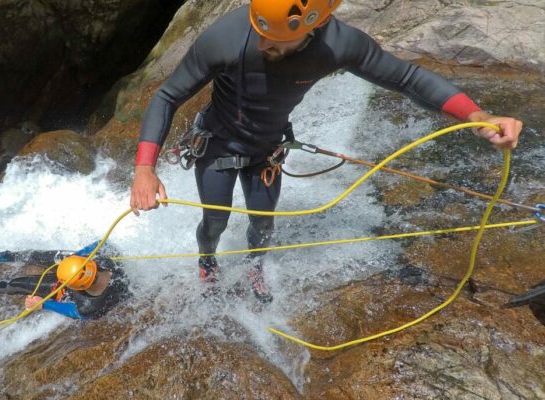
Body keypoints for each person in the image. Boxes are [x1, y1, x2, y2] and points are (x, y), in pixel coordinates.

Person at [129, 0, 523, 303]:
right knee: (214, 222)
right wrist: (144, 169)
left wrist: (477, 114)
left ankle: (255, 268)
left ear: (314, 25)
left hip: (267, 150)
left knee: (263, 224)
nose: (263, 42)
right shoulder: (227, 37)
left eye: (275, 38)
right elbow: (167, 94)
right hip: (217, 145)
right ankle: (207, 262)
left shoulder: (338, 45)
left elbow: (407, 78)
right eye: (259, 31)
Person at [0, 242, 129, 319]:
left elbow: (72, 311)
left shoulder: (87, 306)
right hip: (77, 268)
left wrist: (43, 304)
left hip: (68, 288)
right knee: (48, 255)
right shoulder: (105, 261)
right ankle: (10, 255)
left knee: (13, 285)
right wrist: (76, 256)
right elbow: (103, 243)